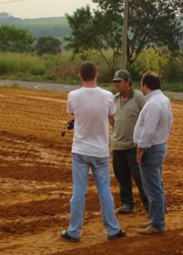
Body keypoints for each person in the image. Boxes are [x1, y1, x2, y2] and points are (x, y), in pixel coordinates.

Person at [61, 61, 126, 242]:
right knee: (104, 190)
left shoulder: (73, 96)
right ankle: (112, 229)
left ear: (80, 76)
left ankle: (74, 231)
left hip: (80, 149)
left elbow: (74, 114)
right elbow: (111, 118)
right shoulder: (107, 96)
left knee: (79, 191)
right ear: (96, 74)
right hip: (100, 151)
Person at [133, 72, 173, 235]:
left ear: (145, 86)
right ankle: (157, 218)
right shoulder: (164, 100)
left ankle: (157, 223)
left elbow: (148, 131)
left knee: (153, 187)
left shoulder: (152, 104)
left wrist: (140, 150)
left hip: (151, 148)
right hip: (159, 145)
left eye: (141, 85)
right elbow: (171, 121)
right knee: (158, 185)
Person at [111, 69, 149, 215]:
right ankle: (127, 203)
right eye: (115, 82)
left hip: (134, 146)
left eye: (119, 81)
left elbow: (147, 117)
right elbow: (111, 118)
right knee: (122, 176)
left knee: (140, 177)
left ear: (128, 81)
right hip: (118, 145)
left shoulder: (139, 98)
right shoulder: (114, 99)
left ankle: (149, 205)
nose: (117, 84)